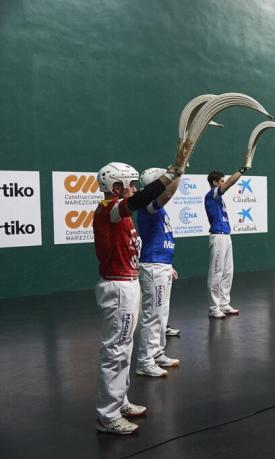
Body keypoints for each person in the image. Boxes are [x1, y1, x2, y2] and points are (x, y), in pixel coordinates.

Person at [93, 159, 183, 435]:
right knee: (116, 351)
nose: (134, 188)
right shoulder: (109, 209)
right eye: (129, 184)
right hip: (118, 288)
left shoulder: (121, 214)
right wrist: (171, 174)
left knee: (124, 350)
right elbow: (143, 197)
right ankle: (108, 415)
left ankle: (119, 402)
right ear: (115, 187)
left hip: (128, 284)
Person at [134, 168, 181, 378]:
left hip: (161, 264)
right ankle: (144, 361)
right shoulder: (149, 205)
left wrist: (168, 265)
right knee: (152, 315)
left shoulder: (158, 208)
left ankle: (157, 353)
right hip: (153, 265)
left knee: (161, 314)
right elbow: (169, 192)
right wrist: (177, 173)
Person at [205, 166, 248, 319]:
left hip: (226, 236)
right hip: (218, 237)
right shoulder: (212, 195)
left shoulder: (219, 199)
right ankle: (213, 307)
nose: (224, 183)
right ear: (215, 183)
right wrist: (242, 170)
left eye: (223, 181)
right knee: (216, 273)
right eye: (221, 181)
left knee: (228, 271)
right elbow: (230, 182)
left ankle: (224, 303)